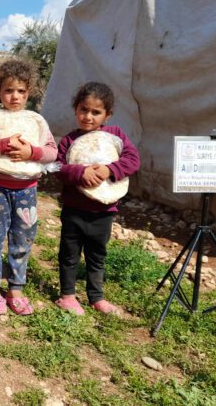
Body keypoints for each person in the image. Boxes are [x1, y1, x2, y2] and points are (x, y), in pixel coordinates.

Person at [0, 60, 57, 315]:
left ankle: (16, 288)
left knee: (23, 239)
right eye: (9, 90)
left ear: (28, 92)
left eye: (21, 91)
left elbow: (52, 152)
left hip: (27, 191)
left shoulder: (37, 121)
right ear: (0, 92)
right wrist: (2, 144)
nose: (15, 96)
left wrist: (32, 151)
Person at [55, 82, 140, 316]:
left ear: (107, 115)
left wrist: (109, 169)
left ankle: (96, 297)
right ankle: (68, 296)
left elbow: (133, 161)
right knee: (69, 254)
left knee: (97, 255)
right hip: (74, 208)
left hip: (103, 211)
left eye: (96, 112)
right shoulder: (69, 140)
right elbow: (58, 168)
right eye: (83, 109)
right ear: (75, 109)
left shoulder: (115, 137)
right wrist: (80, 173)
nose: (88, 117)